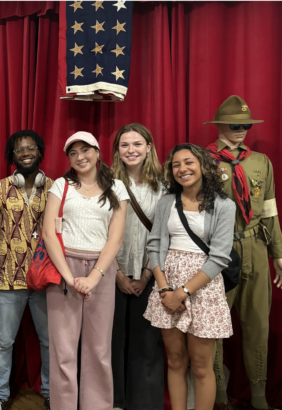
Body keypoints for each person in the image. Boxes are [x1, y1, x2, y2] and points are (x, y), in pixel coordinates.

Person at [203, 95, 282, 410]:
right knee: (216, 326)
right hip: (220, 251)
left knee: (258, 324)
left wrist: (278, 252)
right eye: (236, 124)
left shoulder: (260, 162)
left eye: (247, 125)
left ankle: (259, 396)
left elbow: (270, 210)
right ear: (220, 125)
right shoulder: (204, 159)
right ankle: (218, 393)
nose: (242, 130)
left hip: (256, 246)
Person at [143, 143, 236, 410]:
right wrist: (164, 291)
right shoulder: (166, 202)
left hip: (202, 285)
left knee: (201, 365)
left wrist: (182, 292)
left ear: (203, 166)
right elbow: (155, 244)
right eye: (176, 165)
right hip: (167, 282)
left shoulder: (223, 206)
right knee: (174, 360)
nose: (182, 169)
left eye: (188, 162)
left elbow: (219, 256)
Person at [42, 131, 129, 410]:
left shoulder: (117, 188)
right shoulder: (61, 185)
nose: (80, 157)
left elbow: (115, 238)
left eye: (85, 150)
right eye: (73, 153)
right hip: (63, 269)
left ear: (98, 152)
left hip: (101, 271)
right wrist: (70, 278)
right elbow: (48, 233)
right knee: (63, 349)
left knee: (99, 349)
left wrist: (93, 277)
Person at [0, 130, 53, 410]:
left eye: (31, 148)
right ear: (11, 155)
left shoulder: (56, 188)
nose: (25, 153)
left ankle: (50, 392)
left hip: (45, 277)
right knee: (3, 341)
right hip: (7, 277)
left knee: (49, 341)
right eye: (19, 149)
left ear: (40, 151)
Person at [109, 124, 164, 410]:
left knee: (146, 344)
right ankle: (113, 401)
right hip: (110, 274)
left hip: (151, 274)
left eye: (137, 144)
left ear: (149, 148)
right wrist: (117, 273)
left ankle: (144, 403)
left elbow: (164, 234)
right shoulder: (106, 183)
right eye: (125, 145)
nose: (131, 150)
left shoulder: (164, 186)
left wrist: (146, 273)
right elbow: (98, 231)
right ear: (117, 150)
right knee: (110, 342)